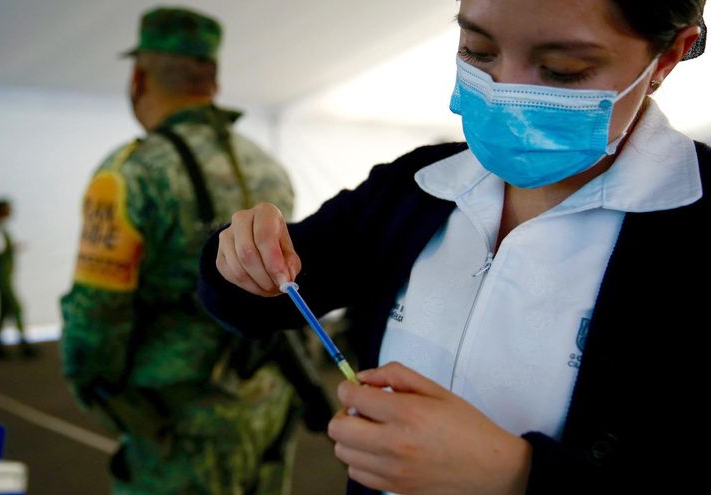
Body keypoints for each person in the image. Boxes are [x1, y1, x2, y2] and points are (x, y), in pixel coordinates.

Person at [198, 1, 709, 494]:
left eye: (562, 69)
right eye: (478, 52)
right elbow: (254, 303)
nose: (506, 90)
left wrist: (517, 475)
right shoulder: (415, 186)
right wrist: (240, 257)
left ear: (666, 56)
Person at [60, 6, 301, 495]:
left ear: (138, 78)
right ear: (211, 79)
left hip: (178, 423)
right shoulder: (268, 168)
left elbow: (97, 312)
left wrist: (96, 387)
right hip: (266, 404)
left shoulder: (132, 171)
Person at [0, 198, 33, 358]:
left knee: (3, 310)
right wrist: (13, 247)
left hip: (5, 275)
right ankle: (24, 343)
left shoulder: (1, 229)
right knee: (16, 307)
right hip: (1, 276)